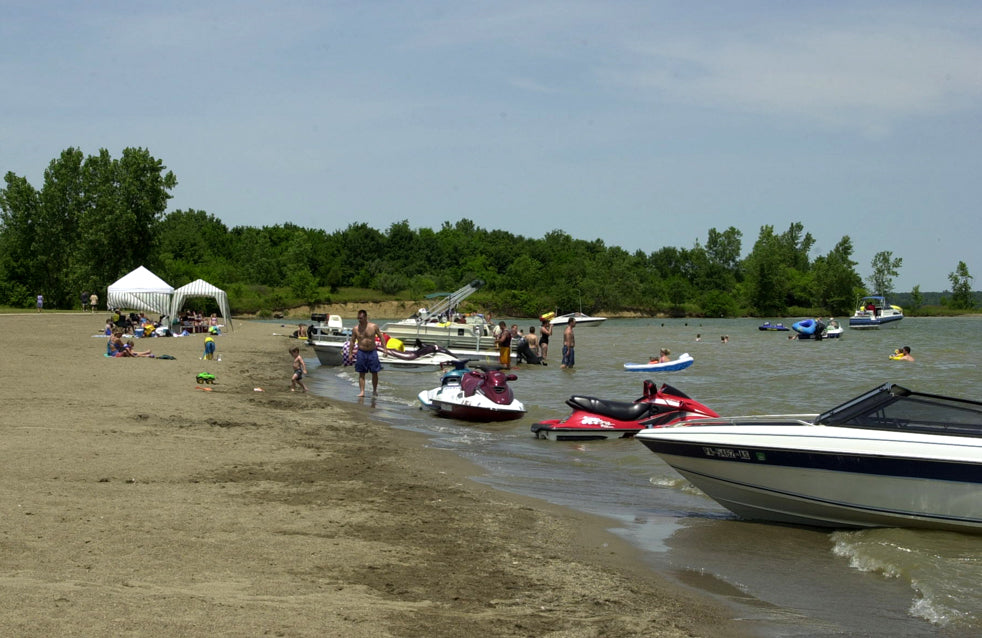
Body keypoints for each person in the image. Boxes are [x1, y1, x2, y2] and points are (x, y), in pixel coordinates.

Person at [351, 309, 386, 396]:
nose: (360, 320)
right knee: (361, 372)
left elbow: (381, 337)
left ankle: (374, 390)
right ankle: (362, 391)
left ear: (366, 317)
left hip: (372, 352)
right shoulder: (356, 329)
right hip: (361, 352)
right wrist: (350, 354)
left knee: (375, 372)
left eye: (361, 318)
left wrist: (385, 349)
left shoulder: (373, 326)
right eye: (358, 318)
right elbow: (352, 341)